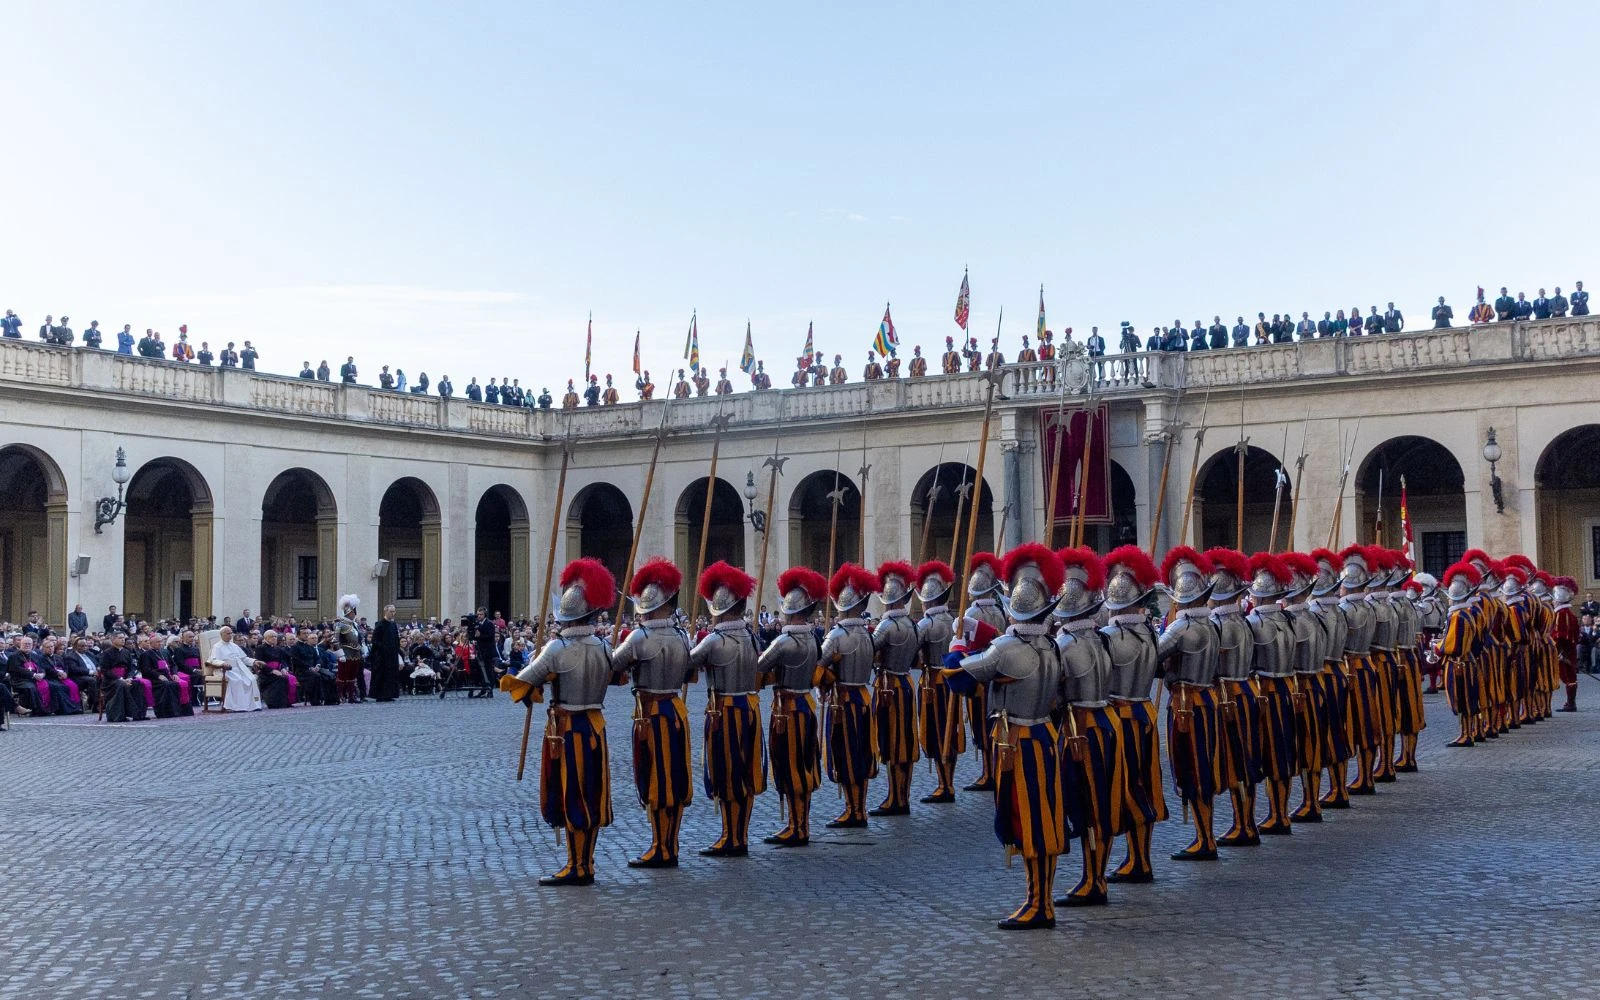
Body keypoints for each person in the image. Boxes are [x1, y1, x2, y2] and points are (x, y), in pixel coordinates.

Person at [942, 543, 1069, 930]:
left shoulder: (1010, 648)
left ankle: (1037, 903)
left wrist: (958, 642)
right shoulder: (1050, 643)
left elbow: (959, 677)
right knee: (1044, 820)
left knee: (1027, 820)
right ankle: (1041, 899)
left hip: (1019, 742)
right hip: (1045, 735)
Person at [506, 558, 619, 886]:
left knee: (572, 795)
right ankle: (588, 862)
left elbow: (521, 684)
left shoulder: (557, 647)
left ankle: (576, 866)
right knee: (592, 794)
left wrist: (534, 676)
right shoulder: (603, 645)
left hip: (568, 730)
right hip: (596, 726)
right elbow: (618, 676)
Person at [612, 559, 695, 866]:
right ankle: (670, 843)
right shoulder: (682, 636)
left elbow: (612, 666)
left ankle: (661, 846)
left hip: (651, 715)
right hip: (676, 710)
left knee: (657, 781)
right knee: (674, 779)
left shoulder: (639, 637)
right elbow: (688, 673)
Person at [1054, 547, 1117, 907]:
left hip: (1078, 728)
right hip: (1105, 723)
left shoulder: (1063, 643)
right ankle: (1097, 875)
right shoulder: (1103, 637)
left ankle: (1092, 879)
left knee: (1086, 805)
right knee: (1102, 804)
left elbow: (1052, 694)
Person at [689, 561, 764, 857]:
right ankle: (739, 835)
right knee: (744, 774)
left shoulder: (715, 640)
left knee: (727, 774)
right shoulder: (751, 636)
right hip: (749, 707)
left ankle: (730, 836)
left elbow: (686, 662)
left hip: (725, 712)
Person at [1098, 546, 1163, 884]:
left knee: (1121, 789)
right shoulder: (1152, 631)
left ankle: (1132, 862)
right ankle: (1141, 857)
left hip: (1119, 717)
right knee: (1143, 785)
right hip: (1146, 711)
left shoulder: (1110, 636)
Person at [1157, 547, 1222, 861]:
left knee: (1192, 769)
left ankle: (1205, 838)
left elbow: (1153, 657)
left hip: (1186, 703)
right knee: (1203, 767)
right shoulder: (1211, 624)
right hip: (1207, 698)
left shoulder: (1180, 627)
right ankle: (1205, 834)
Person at [817, 564, 879, 828]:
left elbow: (818, 667)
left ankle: (853, 809)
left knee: (847, 754)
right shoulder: (867, 633)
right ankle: (860, 808)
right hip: (864, 698)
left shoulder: (837, 635)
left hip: (843, 702)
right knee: (861, 754)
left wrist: (827, 677)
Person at [870, 561, 920, 815]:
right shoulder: (912, 625)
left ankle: (895, 797)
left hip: (889, 686)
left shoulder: (887, 625)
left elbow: (870, 650)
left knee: (892, 742)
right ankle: (904, 796)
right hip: (906, 684)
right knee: (906, 742)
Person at [911, 561, 962, 804]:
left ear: (928, 600)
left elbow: (912, 653)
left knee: (936, 731)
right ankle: (948, 781)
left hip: (932, 682)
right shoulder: (955, 621)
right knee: (949, 731)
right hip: (952, 681)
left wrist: (919, 658)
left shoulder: (925, 624)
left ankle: (944, 784)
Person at [210, 625, 264, 712]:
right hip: (224, 670)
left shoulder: (234, 646)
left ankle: (251, 705)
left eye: (231, 633)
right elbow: (213, 660)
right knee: (237, 680)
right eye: (228, 633)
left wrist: (254, 661)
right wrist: (223, 663)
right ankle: (234, 706)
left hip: (238, 669)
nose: (230, 635)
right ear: (222, 634)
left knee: (251, 679)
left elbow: (244, 658)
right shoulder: (217, 646)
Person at [369, 604, 402, 702]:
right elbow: (375, 640)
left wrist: (397, 650)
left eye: (394, 611)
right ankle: (380, 695)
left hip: (392, 656)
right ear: (386, 611)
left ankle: (389, 694)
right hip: (382, 656)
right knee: (381, 675)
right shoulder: (380, 624)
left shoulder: (393, 624)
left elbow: (396, 639)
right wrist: (384, 648)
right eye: (391, 611)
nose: (393, 613)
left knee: (391, 676)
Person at [472, 607, 498, 697]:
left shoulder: (489, 624)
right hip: (480, 650)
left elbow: (490, 636)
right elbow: (475, 636)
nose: (479, 616)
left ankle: (490, 690)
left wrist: (480, 636)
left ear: (485, 615)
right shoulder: (477, 624)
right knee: (481, 671)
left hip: (488, 650)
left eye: (481, 614)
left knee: (488, 670)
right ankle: (483, 689)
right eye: (478, 614)